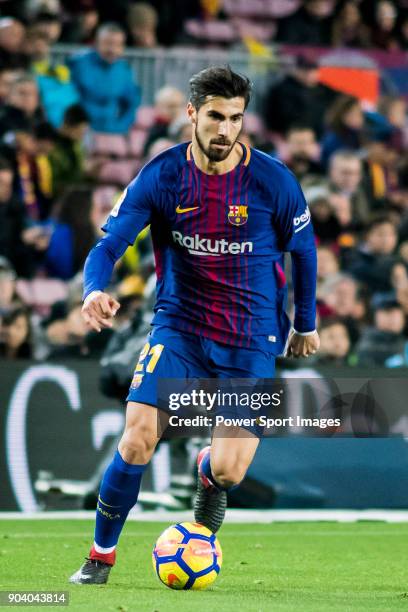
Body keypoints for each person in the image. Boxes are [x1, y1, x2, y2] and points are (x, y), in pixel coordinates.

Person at [69, 66, 320, 584]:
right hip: (179, 328)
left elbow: (305, 252)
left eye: (235, 118)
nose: (225, 129)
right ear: (192, 114)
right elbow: (109, 245)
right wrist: (93, 289)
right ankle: (99, 557)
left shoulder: (273, 181)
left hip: (251, 337)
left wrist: (305, 321)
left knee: (229, 471)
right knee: (137, 438)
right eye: (215, 116)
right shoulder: (161, 175)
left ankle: (205, 469)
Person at [68, 22, 140, 134]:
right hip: (81, 131)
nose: (112, 49)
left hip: (112, 132)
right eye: (108, 43)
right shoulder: (79, 64)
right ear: (96, 43)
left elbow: (131, 103)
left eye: (117, 45)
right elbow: (68, 98)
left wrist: (121, 127)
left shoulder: (124, 70)